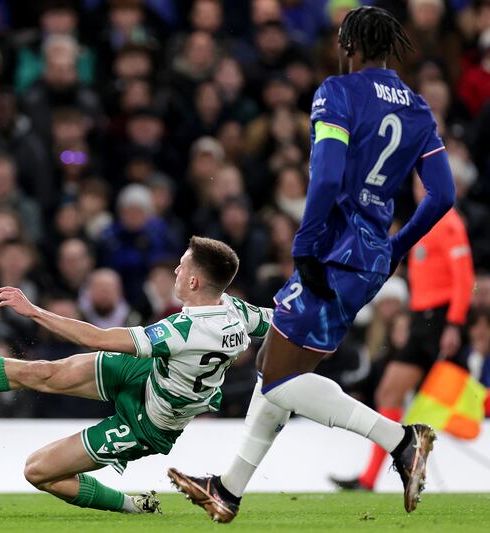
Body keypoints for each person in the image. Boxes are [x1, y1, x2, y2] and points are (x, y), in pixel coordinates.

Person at [169, 6, 455, 521]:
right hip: (369, 256)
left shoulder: (337, 93)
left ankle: (401, 440)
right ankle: (228, 490)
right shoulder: (417, 108)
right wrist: (396, 246)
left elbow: (324, 177)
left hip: (333, 251)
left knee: (278, 378)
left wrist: (306, 242)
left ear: (348, 46)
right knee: (273, 370)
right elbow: (442, 195)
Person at [0, 236, 272, 516]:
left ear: (193, 282)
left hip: (151, 421)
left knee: (38, 471)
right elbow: (277, 322)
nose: (176, 269)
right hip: (152, 372)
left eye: (182, 266)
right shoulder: (235, 309)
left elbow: (98, 337)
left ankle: (134, 507)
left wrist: (35, 311)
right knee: (43, 372)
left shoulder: (184, 330)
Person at [331, 178, 475, 492]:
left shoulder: (449, 222)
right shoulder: (425, 224)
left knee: (400, 394)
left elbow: (464, 278)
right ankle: (391, 470)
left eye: (428, 183)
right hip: (422, 319)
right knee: (391, 394)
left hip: (438, 320)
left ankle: (395, 468)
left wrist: (453, 324)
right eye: (418, 185)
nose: (422, 189)